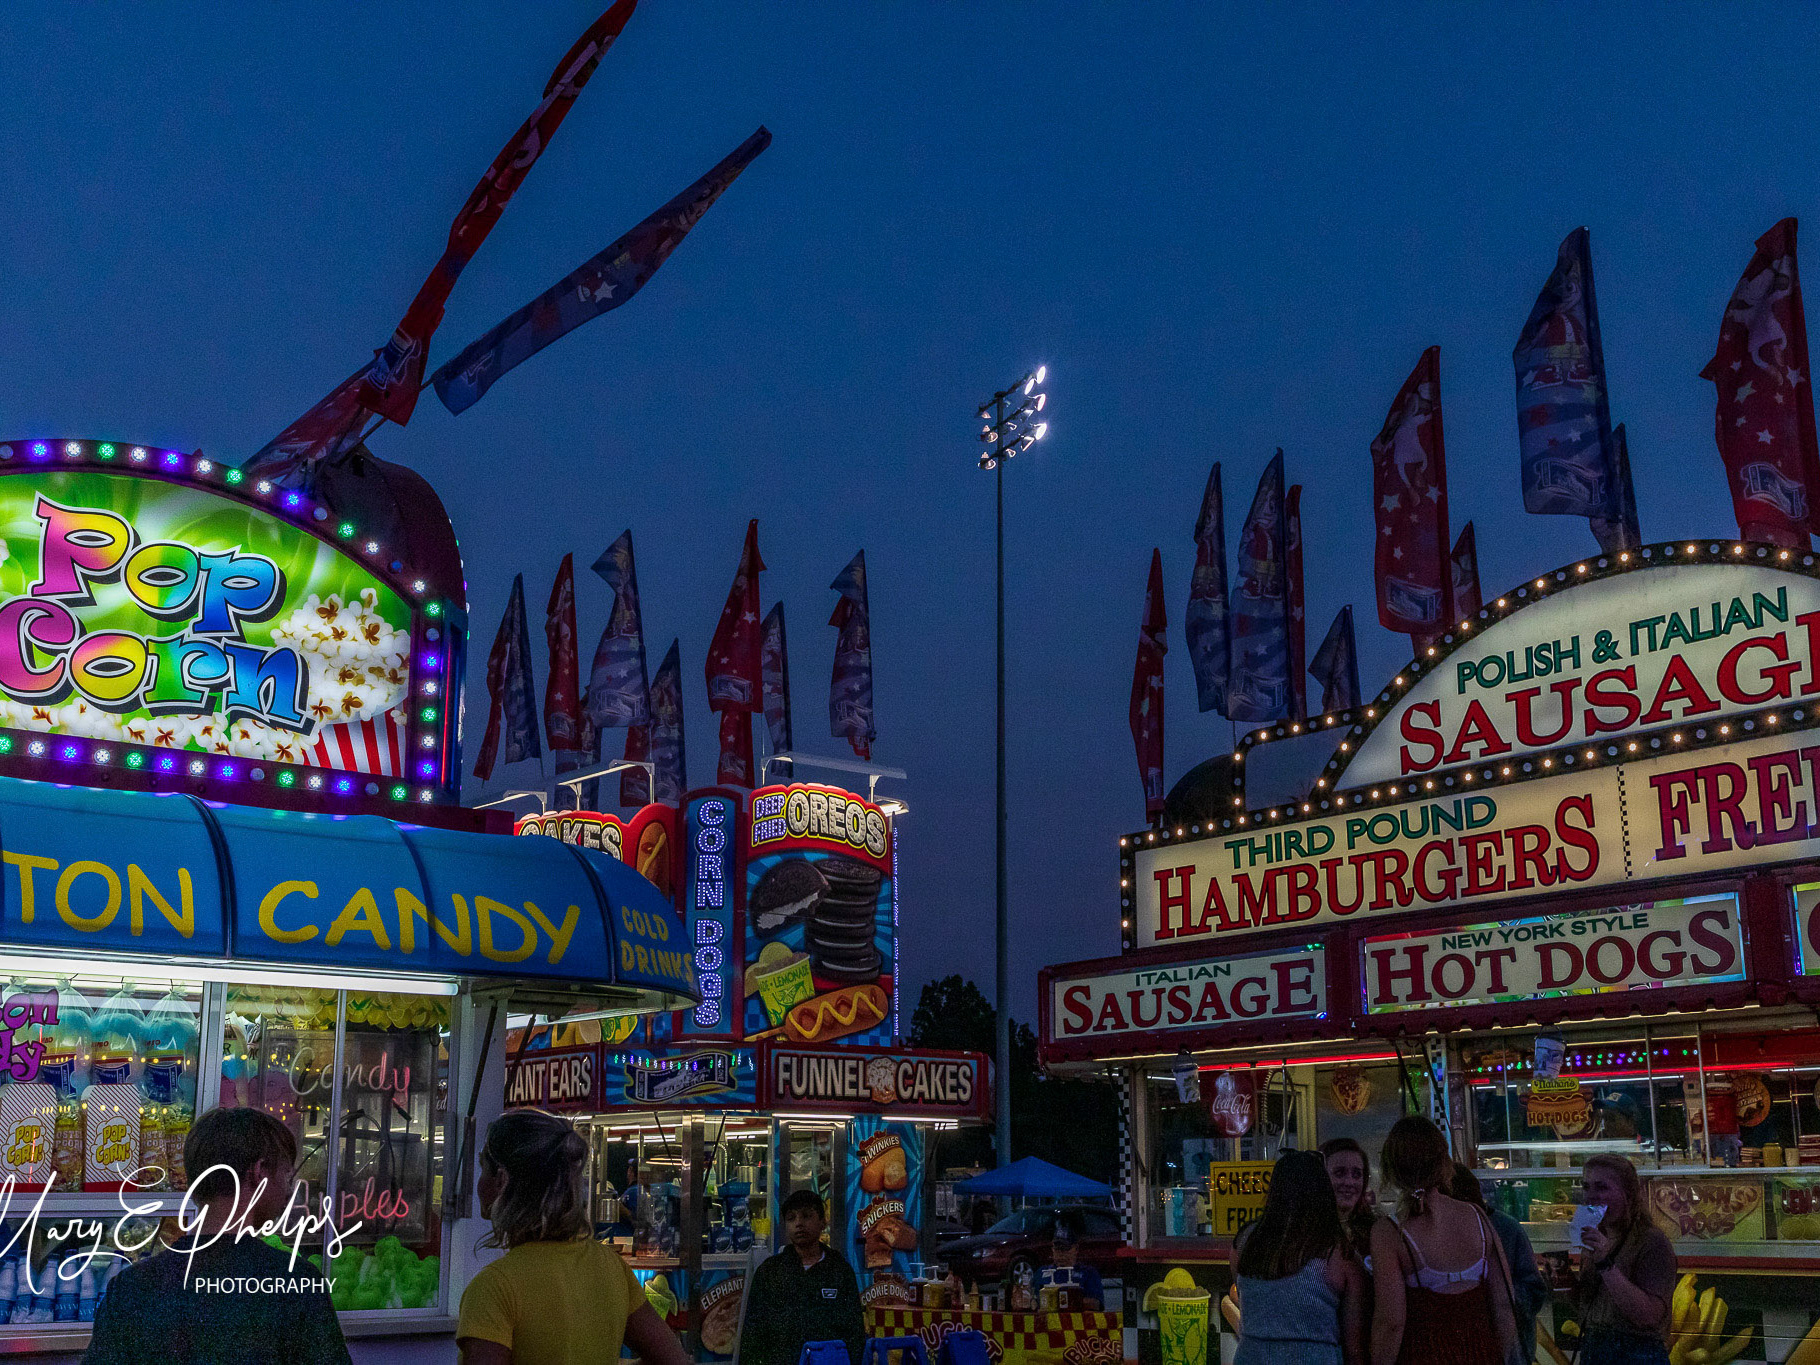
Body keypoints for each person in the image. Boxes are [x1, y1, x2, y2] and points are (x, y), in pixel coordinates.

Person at [83, 1106, 351, 1365]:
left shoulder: (131, 1287)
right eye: (287, 1176)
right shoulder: (296, 1285)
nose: (288, 1191)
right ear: (258, 1173)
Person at [458, 1109, 691, 1365]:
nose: (478, 1183)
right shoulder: (610, 1267)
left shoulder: (494, 1287)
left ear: (502, 1181)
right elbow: (673, 1360)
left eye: (483, 1169)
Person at [1368, 1116, 1520, 1365]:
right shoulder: (1477, 1217)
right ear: (1443, 1162)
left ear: (1391, 1167)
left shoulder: (1389, 1233)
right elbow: (1504, 1304)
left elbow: (1391, 1323)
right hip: (1482, 1353)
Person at [1230, 1150, 1368, 1365]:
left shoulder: (1244, 1241)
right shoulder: (1339, 1253)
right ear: (1323, 1191)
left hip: (1251, 1355)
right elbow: (1354, 1346)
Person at [740, 1189, 866, 1365]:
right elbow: (751, 1335)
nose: (799, 1223)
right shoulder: (770, 1272)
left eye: (807, 1216)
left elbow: (855, 1334)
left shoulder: (839, 1271)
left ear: (822, 1222)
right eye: (791, 1218)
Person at [1573, 1155, 1676, 1365]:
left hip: (1636, 1354)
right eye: (1586, 1187)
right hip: (1594, 1349)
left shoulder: (1651, 1242)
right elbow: (1590, 1308)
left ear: (1627, 1194)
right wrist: (1562, 1282)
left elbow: (1648, 1317)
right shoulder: (1595, 1238)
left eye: (1601, 1188)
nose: (1591, 1197)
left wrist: (1605, 1263)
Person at [1450, 1162, 1548, 1365]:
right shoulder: (1444, 1233)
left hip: (1507, 1352)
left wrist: (1494, 1298)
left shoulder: (1507, 1229)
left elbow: (1535, 1291)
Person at [1320, 1138, 1379, 1261]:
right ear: (1320, 1176)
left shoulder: (1375, 1231)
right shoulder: (1306, 1234)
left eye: (1357, 1174)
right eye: (1339, 1173)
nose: (1349, 1182)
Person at [1038, 1215, 1104, 1310]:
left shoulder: (1088, 1273)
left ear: (1075, 1248)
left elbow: (1095, 1303)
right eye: (1057, 1249)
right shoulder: (1042, 1272)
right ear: (1052, 1249)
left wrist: (1062, 1300)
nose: (1061, 1253)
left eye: (1065, 1249)